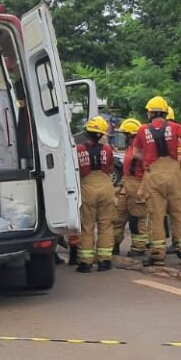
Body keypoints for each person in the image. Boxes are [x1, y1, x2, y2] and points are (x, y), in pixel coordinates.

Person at [130, 96, 181, 266]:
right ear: (165, 112)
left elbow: (135, 153)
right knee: (178, 214)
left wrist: (148, 159)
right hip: (174, 173)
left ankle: (158, 255)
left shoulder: (142, 130)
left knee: (156, 216)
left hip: (154, 174)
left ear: (150, 113)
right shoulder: (175, 127)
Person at [75, 116, 117, 273]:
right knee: (105, 225)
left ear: (87, 132)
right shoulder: (107, 150)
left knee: (87, 226)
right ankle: (104, 261)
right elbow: (110, 168)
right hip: (105, 187)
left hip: (87, 188)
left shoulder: (79, 149)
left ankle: (85, 263)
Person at [117, 117, 148, 257]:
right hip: (126, 185)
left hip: (138, 184)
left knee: (137, 218)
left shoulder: (143, 150)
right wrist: (121, 186)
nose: (123, 137)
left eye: (125, 134)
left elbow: (148, 171)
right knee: (118, 216)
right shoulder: (131, 148)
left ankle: (139, 247)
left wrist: (142, 189)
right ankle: (114, 244)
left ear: (131, 135)